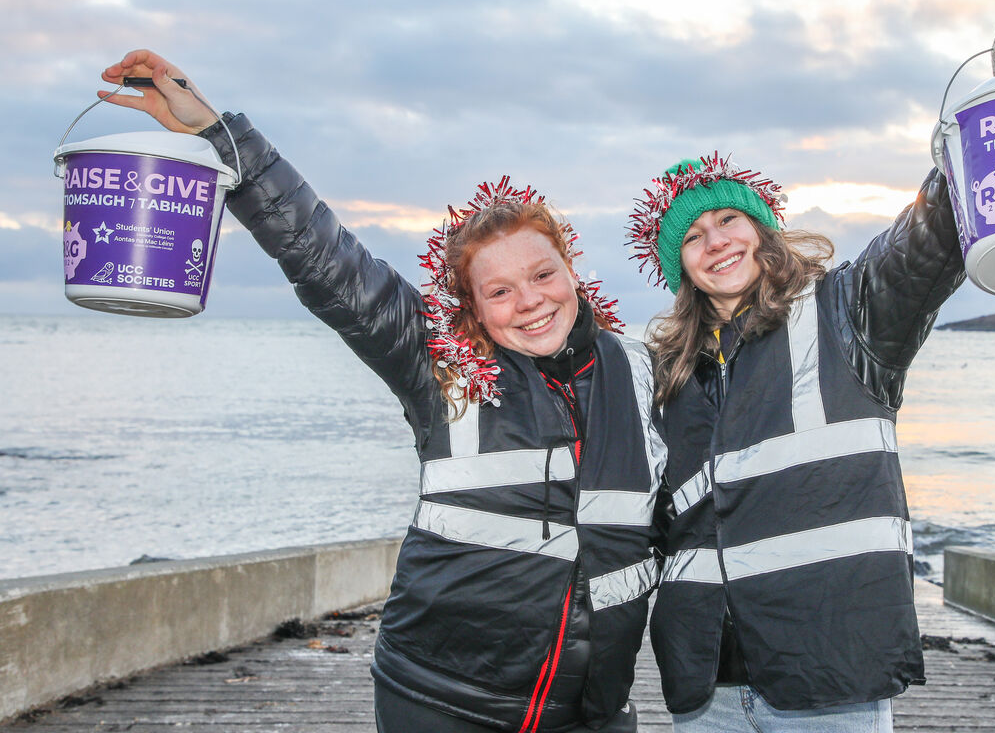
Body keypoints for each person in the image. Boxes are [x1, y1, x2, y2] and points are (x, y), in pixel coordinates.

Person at [101, 50, 664, 733]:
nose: (531, 302)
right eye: (500, 291)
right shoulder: (438, 362)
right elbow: (325, 258)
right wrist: (220, 138)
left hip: (595, 713)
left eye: (543, 275)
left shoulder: (638, 368)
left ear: (572, 270)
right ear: (474, 309)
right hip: (442, 703)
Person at [624, 0, 995, 733]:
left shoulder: (847, 314)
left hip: (829, 673)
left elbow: (928, 243)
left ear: (761, 228)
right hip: (702, 685)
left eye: (728, 220)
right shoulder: (666, 372)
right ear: (681, 265)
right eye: (694, 236)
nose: (716, 242)